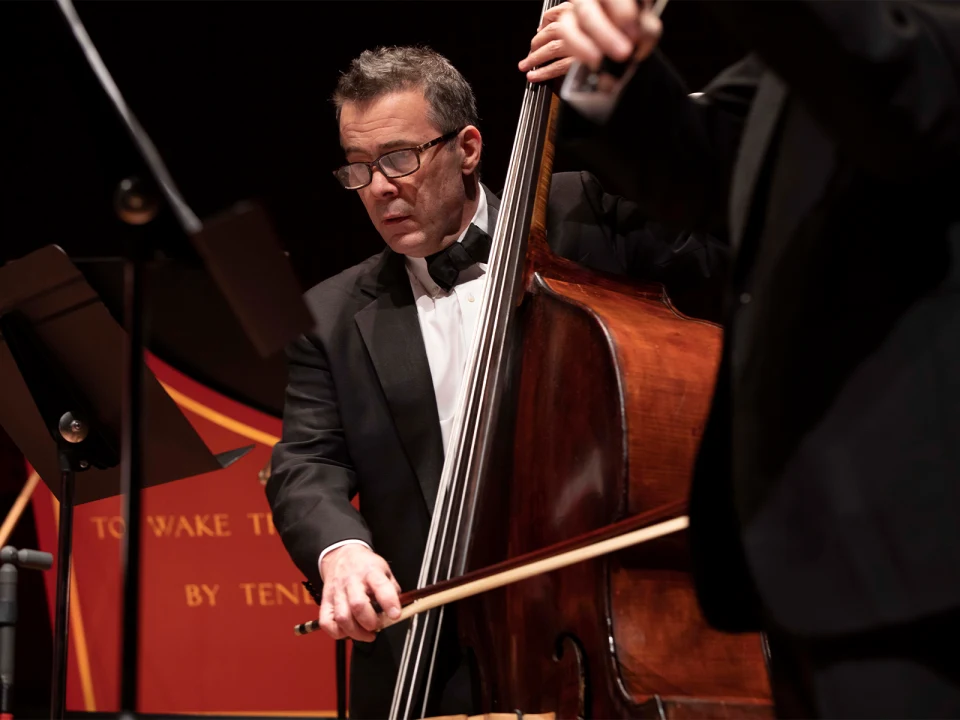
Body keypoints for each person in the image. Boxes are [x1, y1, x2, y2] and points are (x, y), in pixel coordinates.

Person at [520, 0, 960, 717]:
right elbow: (700, 172)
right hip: (821, 565)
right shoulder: (810, 61)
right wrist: (606, 73)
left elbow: (879, 84)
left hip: (923, 560)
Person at [266, 43, 726, 719]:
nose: (379, 187)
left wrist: (622, 83)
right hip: (432, 659)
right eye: (358, 169)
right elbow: (305, 461)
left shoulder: (588, 215)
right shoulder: (330, 316)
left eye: (398, 158)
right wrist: (341, 553)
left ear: (469, 147)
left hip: (610, 638)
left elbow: (724, 246)